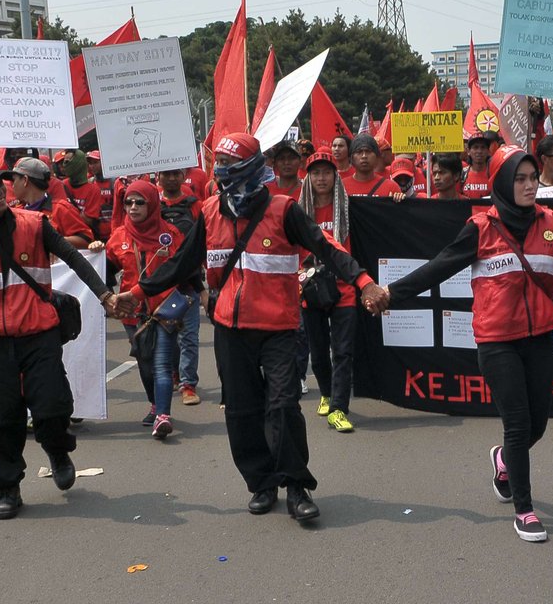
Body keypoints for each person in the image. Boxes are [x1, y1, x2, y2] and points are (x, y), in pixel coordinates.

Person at [379, 145, 553, 543]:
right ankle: (524, 510)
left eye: (532, 178)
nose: (529, 186)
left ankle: (504, 459)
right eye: (520, 179)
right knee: (517, 422)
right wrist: (391, 295)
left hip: (541, 337)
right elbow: (437, 268)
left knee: (538, 424)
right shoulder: (481, 227)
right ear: (503, 184)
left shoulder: (552, 225)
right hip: (496, 340)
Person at [116, 133, 389, 523]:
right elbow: (180, 264)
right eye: (219, 166)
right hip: (230, 329)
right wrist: (138, 292)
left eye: (229, 165)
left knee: (282, 406)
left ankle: (297, 486)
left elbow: (327, 246)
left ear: (248, 168)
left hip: (279, 328)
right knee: (241, 412)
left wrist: (364, 283)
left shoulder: (283, 210)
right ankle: (261, 483)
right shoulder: (209, 212)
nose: (222, 173)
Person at [0, 154, 119, 520]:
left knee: (52, 406)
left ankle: (57, 451)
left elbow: (74, 257)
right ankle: (7, 486)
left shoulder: (35, 224)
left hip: (40, 334)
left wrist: (105, 295)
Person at [94, 179, 188, 438]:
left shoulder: (170, 233)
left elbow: (182, 268)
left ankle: (162, 416)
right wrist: (97, 251)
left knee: (161, 364)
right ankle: (155, 403)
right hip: (131, 313)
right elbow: (105, 271)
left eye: (139, 202)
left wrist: (199, 295)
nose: (133, 207)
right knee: (145, 363)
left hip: (164, 311)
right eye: (128, 202)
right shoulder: (118, 237)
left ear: (153, 204)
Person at [300, 148, 361, 432]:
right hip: (310, 288)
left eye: (326, 172)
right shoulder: (297, 213)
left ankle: (339, 408)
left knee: (344, 351)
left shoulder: (350, 209)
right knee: (318, 350)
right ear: (308, 178)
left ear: (335, 176)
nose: (321, 178)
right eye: (316, 173)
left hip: (345, 288)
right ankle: (325, 393)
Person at [155, 168, 205, 405]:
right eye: (168, 174)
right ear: (159, 177)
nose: (172, 178)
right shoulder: (151, 204)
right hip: (161, 286)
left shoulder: (195, 205)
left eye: (176, 174)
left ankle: (188, 384)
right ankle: (172, 375)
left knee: (189, 337)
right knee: (167, 336)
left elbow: (204, 240)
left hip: (189, 283)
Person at [10, 157, 93, 248]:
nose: (12, 185)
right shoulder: (15, 213)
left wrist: (54, 240)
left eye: (14, 180)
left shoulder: (61, 209)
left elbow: (87, 240)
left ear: (25, 180)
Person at [342, 134, 403, 198]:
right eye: (359, 152)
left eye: (368, 151)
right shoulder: (341, 188)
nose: (364, 156)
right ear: (351, 158)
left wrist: (398, 200)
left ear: (377, 156)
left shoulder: (392, 188)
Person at [463, 131, 494, 197]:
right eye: (475, 147)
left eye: (483, 147)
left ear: (488, 151)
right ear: (468, 151)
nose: (479, 151)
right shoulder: (462, 175)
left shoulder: (494, 174)